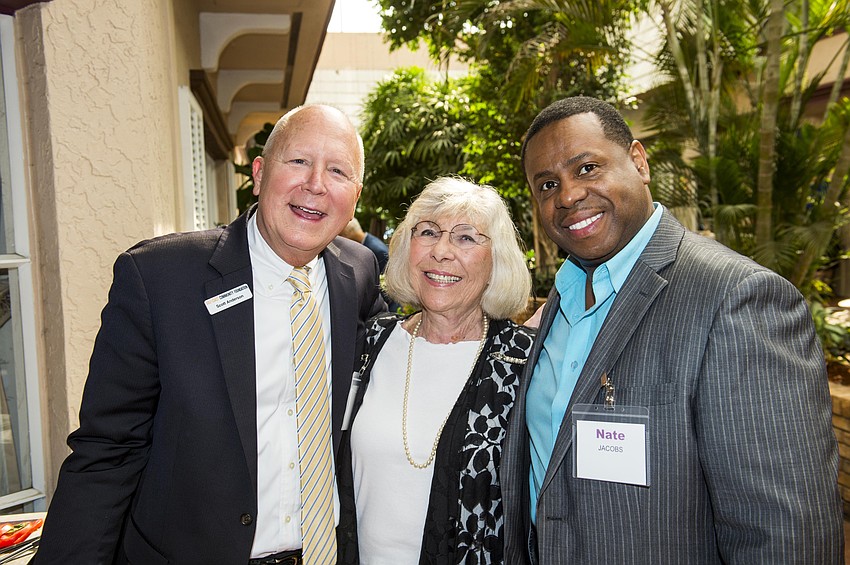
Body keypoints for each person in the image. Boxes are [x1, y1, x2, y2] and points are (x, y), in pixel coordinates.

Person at [33, 104, 386, 565]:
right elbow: (109, 450)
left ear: (355, 195)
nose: (316, 183)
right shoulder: (159, 279)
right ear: (258, 174)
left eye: (337, 171)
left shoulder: (358, 273)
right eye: (299, 161)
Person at [501, 96, 844, 563]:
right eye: (547, 184)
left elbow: (785, 535)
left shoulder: (737, 298)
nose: (568, 195)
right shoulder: (562, 296)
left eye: (587, 168)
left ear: (639, 163)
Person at [336, 177, 535, 564]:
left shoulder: (523, 361)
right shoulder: (372, 341)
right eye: (428, 232)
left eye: (466, 237)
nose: (441, 251)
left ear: (496, 261)